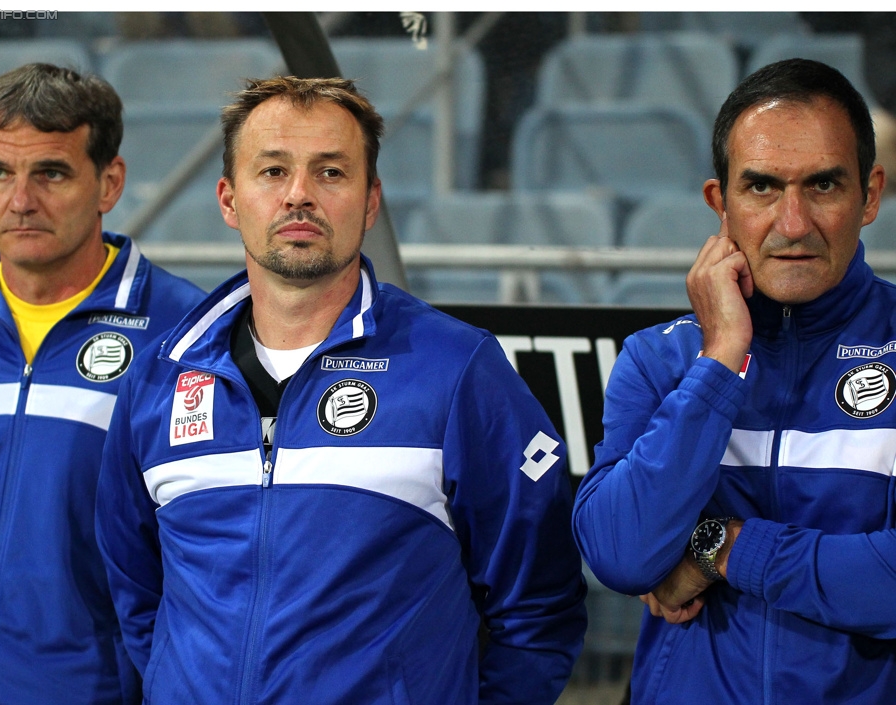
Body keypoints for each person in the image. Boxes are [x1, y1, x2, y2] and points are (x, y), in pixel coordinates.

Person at [95, 75, 587, 704]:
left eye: (331, 173)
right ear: (228, 198)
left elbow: (539, 610)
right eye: (272, 172)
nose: (299, 195)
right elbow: (137, 599)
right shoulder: (159, 378)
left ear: (371, 198)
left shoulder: (457, 369)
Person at [573, 57, 896, 703]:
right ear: (719, 201)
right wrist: (720, 356)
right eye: (763, 187)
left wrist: (724, 546)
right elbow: (619, 554)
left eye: (825, 186)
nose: (794, 222)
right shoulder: (659, 360)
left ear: (870, 195)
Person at [0, 63, 205, 703]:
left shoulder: (184, 338)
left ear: (109, 182)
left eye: (50, 172)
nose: (21, 200)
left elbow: (213, 559)